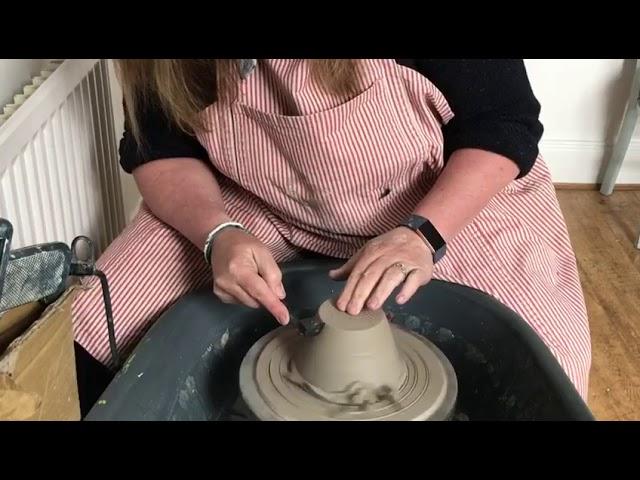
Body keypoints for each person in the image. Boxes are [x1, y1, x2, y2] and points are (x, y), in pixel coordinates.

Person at [72, 59, 591, 401]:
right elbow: (157, 151)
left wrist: (423, 234)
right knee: (94, 322)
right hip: (264, 200)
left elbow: (504, 122)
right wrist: (216, 235)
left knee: (540, 368)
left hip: (441, 203)